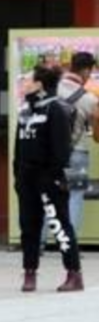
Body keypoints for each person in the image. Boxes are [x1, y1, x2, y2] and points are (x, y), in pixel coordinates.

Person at [15, 65, 84, 293]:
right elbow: (19, 147)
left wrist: (53, 176)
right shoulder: (24, 110)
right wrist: (18, 176)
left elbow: (61, 149)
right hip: (26, 178)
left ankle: (74, 274)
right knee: (28, 226)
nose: (23, 81)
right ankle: (29, 272)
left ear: (39, 84)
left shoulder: (55, 109)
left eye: (27, 79)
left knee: (59, 226)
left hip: (49, 178)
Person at [57, 51, 99, 236]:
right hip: (77, 153)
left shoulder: (54, 88)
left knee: (48, 195)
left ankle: (38, 244)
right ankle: (70, 244)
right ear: (85, 71)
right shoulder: (89, 99)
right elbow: (97, 137)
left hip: (51, 154)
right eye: (90, 71)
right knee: (75, 196)